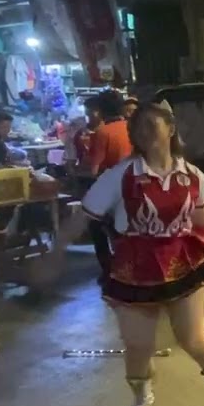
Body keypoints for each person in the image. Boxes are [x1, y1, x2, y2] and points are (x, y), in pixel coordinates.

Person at [44, 102, 204, 406]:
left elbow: (203, 222)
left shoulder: (192, 175)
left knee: (192, 339)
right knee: (138, 346)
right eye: (137, 126)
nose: (142, 131)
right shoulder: (119, 176)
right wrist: (56, 251)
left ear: (171, 129)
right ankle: (142, 398)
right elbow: (81, 218)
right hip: (135, 266)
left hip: (183, 259)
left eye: (151, 124)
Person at [83, 91, 133, 278]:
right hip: (138, 186)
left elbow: (94, 170)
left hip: (113, 191)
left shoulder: (102, 133)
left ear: (101, 110)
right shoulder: (133, 128)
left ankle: (109, 270)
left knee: (96, 227)